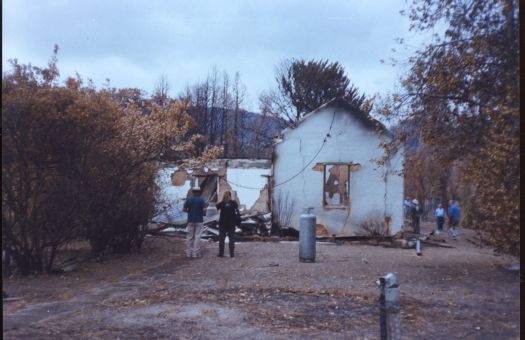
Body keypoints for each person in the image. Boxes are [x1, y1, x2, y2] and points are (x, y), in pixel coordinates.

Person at [183, 186, 207, 258]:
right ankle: (195, 253)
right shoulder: (201, 200)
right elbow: (204, 210)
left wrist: (189, 212)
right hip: (199, 220)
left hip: (190, 220)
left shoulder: (189, 199)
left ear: (192, 192)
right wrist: (202, 214)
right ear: (199, 192)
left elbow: (184, 209)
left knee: (189, 237)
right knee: (197, 237)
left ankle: (188, 253)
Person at [216, 191, 239, 258]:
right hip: (231, 223)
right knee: (231, 238)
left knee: (221, 239)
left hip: (222, 223)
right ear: (230, 196)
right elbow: (236, 208)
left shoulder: (222, 203)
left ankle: (221, 253)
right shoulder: (233, 203)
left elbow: (217, 207)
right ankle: (232, 254)